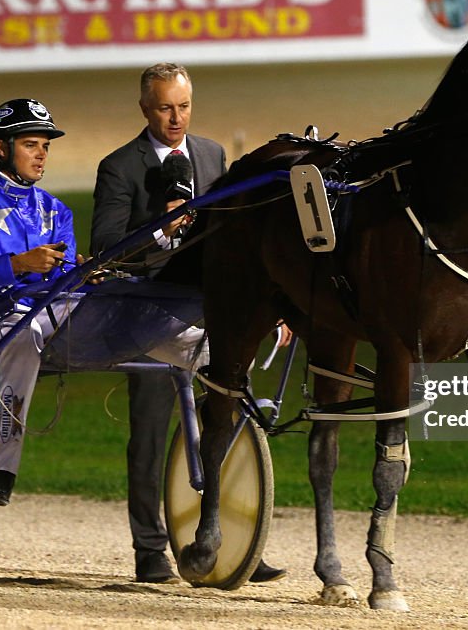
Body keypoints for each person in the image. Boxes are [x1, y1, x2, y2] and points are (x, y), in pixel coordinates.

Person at [0, 98, 205, 507]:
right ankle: (2, 468)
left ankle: (227, 390)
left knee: (142, 318)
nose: (42, 154)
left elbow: (62, 282)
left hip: (49, 310)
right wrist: (17, 265)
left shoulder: (55, 210)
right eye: (30, 144)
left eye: (45, 145)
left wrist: (83, 274)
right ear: (2, 148)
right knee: (22, 333)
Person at [91, 63, 286, 585]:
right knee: (151, 430)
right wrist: (159, 231)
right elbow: (104, 250)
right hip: (145, 311)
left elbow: (232, 243)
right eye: (164, 108)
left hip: (207, 307)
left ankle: (229, 540)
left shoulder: (210, 155)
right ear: (144, 109)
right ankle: (150, 549)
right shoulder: (119, 167)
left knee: (230, 410)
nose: (175, 118)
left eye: (183, 107)